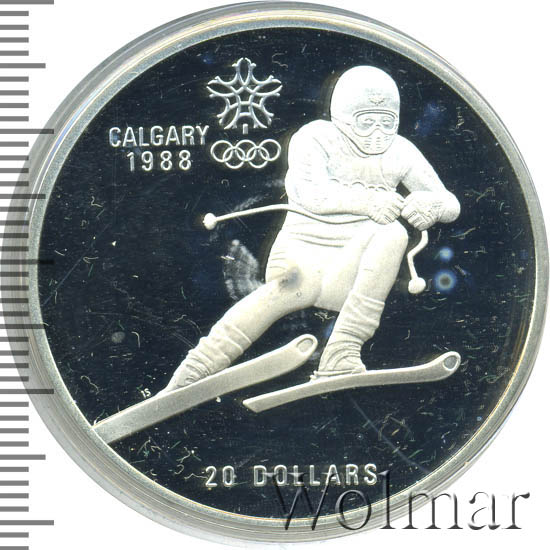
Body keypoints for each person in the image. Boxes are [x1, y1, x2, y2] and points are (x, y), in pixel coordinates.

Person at [161, 65, 460, 393]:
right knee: (292, 288)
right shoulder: (316, 137)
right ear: (342, 116)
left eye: (387, 122)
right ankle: (198, 367)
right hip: (301, 259)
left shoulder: (400, 151)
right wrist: (369, 201)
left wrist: (430, 206)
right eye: (366, 121)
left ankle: (343, 351)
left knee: (394, 233)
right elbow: (310, 193)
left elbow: (449, 203)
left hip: (349, 272)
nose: (378, 132)